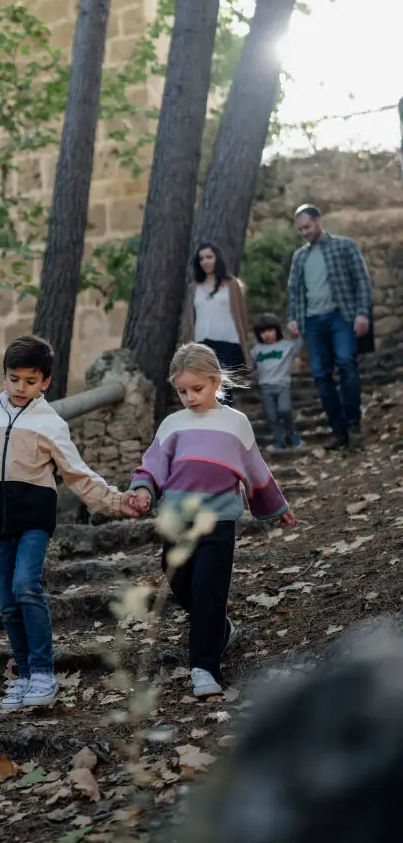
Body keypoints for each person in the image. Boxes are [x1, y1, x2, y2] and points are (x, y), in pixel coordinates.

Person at [0, 334, 139, 713]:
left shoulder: (50, 424)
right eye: (14, 379)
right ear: (4, 376)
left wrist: (116, 501)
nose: (20, 387)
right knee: (7, 603)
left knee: (26, 586)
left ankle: (42, 672)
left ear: (45, 382)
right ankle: (23, 675)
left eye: (30, 381)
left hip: (34, 521)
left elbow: (78, 474)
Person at [126, 343, 295, 698]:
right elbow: (152, 465)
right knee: (178, 578)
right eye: (182, 391)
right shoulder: (172, 425)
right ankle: (218, 626)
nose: (189, 397)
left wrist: (276, 505)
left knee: (208, 589)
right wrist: (143, 489)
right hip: (176, 519)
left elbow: (255, 468)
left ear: (216, 381)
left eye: (197, 388)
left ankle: (204, 669)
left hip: (219, 520)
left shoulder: (236, 423)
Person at [287, 204, 373, 451]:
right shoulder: (299, 257)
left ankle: (353, 424)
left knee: (346, 363)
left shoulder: (345, 246)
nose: (304, 232)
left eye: (307, 226)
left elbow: (362, 281)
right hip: (312, 321)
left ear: (319, 221)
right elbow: (294, 290)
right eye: (300, 229)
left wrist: (362, 313)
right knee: (320, 375)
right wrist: (292, 317)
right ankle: (338, 430)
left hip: (341, 316)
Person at [180, 241, 254, 403]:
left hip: (229, 341)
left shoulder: (232, 285)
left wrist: (245, 345)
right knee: (206, 387)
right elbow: (189, 319)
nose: (205, 261)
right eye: (202, 259)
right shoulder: (193, 288)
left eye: (209, 257)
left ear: (217, 258)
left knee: (223, 387)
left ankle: (224, 418)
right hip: (202, 343)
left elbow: (241, 316)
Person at [251, 313, 305, 453]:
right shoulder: (256, 350)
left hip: (282, 386)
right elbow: (250, 366)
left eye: (270, 330)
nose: (267, 334)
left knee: (284, 410)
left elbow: (299, 346)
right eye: (263, 332)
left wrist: (297, 335)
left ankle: (291, 433)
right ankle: (279, 440)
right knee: (271, 416)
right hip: (265, 388)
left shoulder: (286, 346)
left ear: (277, 330)